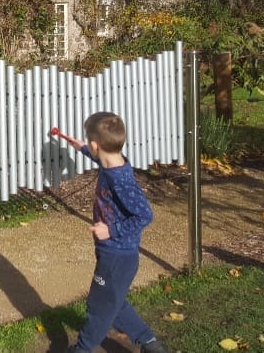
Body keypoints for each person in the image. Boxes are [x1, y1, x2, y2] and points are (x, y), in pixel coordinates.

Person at [65, 112, 167, 353]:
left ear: (96, 144)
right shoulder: (113, 162)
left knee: (98, 307)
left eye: (89, 143)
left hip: (117, 255)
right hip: (115, 255)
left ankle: (81, 349)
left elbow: (145, 215)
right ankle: (151, 344)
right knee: (114, 301)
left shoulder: (121, 180)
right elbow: (102, 158)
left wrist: (110, 230)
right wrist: (80, 147)